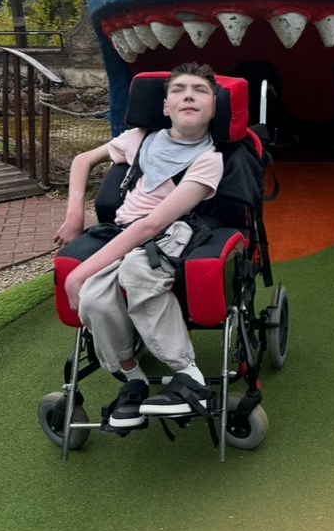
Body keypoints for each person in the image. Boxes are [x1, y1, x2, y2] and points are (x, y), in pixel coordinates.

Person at [53, 62, 224, 430]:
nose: (189, 95)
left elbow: (155, 222)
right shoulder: (140, 138)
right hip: (122, 232)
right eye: (178, 90)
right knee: (95, 299)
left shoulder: (210, 160)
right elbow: (83, 160)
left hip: (169, 232)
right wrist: (74, 216)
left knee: (136, 271)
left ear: (213, 106)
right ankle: (133, 378)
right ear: (165, 107)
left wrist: (79, 273)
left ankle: (189, 375)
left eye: (200, 90)